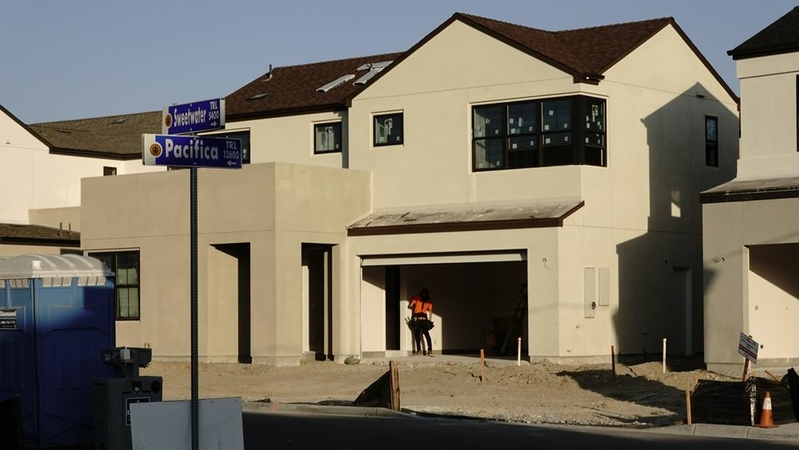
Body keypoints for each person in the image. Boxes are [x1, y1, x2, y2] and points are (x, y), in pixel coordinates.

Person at [408, 288, 434, 356]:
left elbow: (410, 305)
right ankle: (430, 349)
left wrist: (414, 306)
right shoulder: (429, 300)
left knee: (417, 335)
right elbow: (430, 310)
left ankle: (419, 350)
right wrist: (430, 320)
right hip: (424, 318)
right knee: (426, 334)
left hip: (417, 318)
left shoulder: (416, 298)